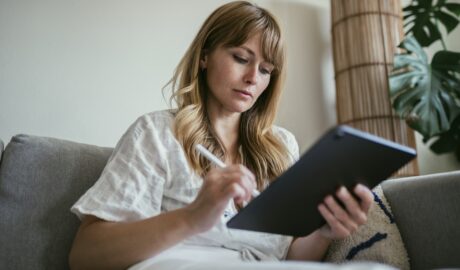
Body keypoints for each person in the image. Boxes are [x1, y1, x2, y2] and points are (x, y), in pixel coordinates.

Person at [69, 1, 380, 270]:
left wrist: (324, 231)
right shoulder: (157, 133)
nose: (252, 79)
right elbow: (84, 256)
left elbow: (291, 257)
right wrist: (192, 217)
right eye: (241, 58)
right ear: (204, 57)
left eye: (265, 70)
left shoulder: (282, 147)